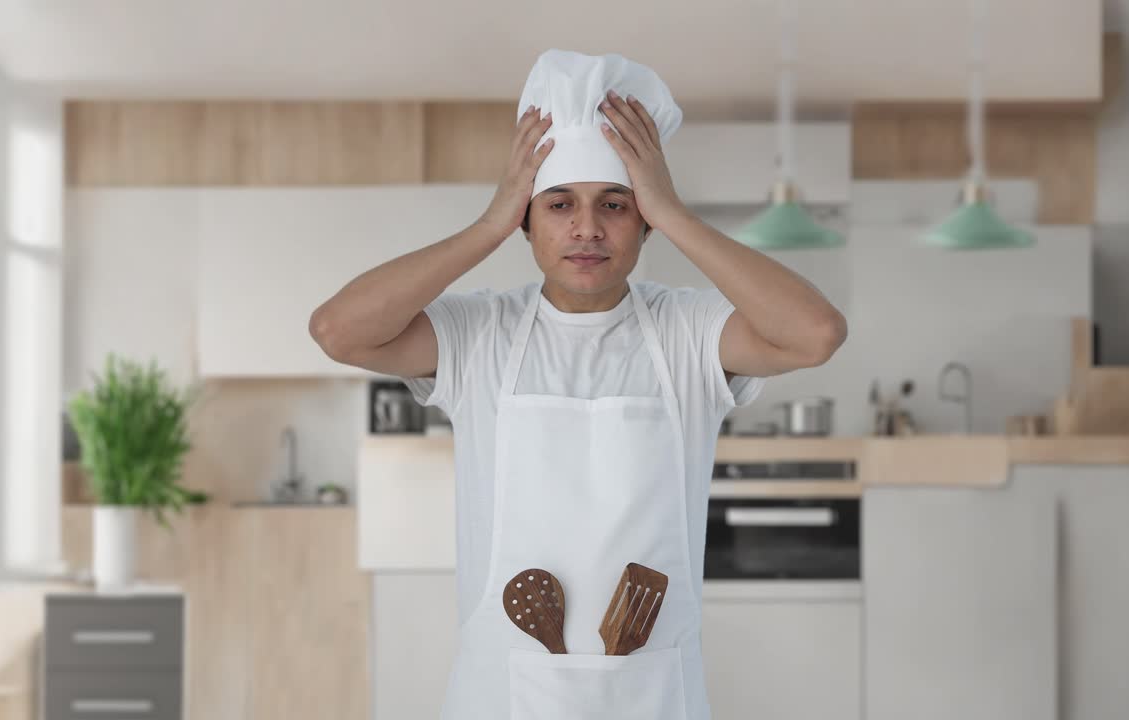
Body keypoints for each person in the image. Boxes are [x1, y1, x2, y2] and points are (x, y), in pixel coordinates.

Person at [309, 48, 846, 720]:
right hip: (502, 690)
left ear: (644, 221)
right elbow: (338, 329)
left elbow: (816, 333)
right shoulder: (481, 336)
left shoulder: (688, 332)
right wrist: (487, 225)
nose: (587, 228)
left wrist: (674, 212)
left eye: (616, 205)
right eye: (559, 203)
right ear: (526, 221)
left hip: (653, 688)